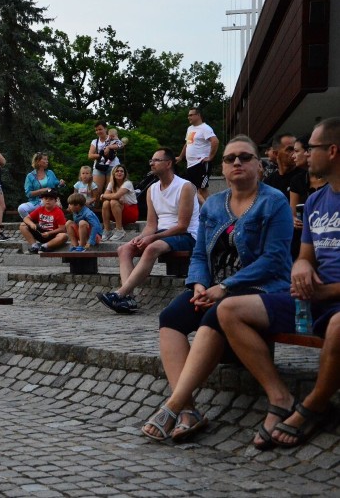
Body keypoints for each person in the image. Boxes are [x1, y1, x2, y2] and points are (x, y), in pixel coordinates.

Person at [139, 135, 293, 442]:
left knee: (216, 315)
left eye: (245, 157)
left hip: (260, 286)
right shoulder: (213, 207)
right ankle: (189, 410)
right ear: (222, 167)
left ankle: (173, 404)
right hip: (216, 287)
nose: (237, 162)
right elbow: (199, 254)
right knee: (171, 318)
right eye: (230, 158)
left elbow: (275, 259)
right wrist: (198, 283)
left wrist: (225, 286)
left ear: (259, 167)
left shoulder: (273, 202)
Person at [218, 117, 340, 450]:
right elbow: (305, 255)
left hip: (332, 302)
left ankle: (315, 404)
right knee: (229, 309)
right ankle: (280, 396)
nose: (302, 154)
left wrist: (324, 290)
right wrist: (301, 265)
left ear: (332, 150)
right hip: (312, 298)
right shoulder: (315, 201)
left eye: (309, 148)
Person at [97, 148, 200, 313]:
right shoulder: (152, 190)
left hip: (186, 235)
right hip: (162, 233)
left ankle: (120, 293)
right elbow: (151, 225)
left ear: (168, 163)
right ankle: (128, 299)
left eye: (156, 160)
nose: (152, 163)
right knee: (124, 249)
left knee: (152, 247)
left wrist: (151, 239)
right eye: (151, 160)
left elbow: (182, 226)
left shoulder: (185, 186)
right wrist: (141, 237)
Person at [175, 106, 219, 205]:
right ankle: (205, 211)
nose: (188, 117)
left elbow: (215, 141)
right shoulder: (190, 128)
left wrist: (210, 157)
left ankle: (211, 210)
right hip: (190, 165)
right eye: (188, 115)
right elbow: (187, 143)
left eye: (191, 115)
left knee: (202, 189)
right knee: (194, 189)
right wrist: (181, 157)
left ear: (198, 115)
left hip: (201, 163)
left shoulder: (205, 128)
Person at [18, 152, 65, 220]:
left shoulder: (50, 173)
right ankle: (31, 223)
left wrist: (61, 183)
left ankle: (43, 224)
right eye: (45, 159)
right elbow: (28, 194)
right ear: (38, 161)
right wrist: (41, 191)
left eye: (47, 159)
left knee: (52, 205)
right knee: (21, 208)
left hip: (48, 200)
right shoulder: (30, 176)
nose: (47, 161)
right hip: (35, 202)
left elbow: (57, 184)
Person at [20, 189, 68, 254]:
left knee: (64, 236)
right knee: (23, 225)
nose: (48, 200)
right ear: (42, 200)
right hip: (41, 232)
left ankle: (44, 246)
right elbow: (26, 218)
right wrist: (31, 223)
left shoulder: (59, 212)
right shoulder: (40, 209)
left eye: (51, 199)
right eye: (45, 198)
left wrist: (49, 233)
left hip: (53, 234)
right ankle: (34, 246)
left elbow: (62, 229)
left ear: (55, 201)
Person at [100, 165, 139, 242]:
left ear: (125, 174)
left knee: (113, 201)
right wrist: (109, 196)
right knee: (105, 203)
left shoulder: (128, 183)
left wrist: (105, 195)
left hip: (131, 212)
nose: (119, 173)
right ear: (113, 173)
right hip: (118, 211)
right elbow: (104, 198)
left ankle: (120, 230)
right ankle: (107, 230)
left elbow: (114, 195)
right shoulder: (111, 183)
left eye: (122, 171)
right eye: (117, 171)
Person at [88, 122, 121, 206]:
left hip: (113, 165)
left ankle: (107, 211)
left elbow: (120, 145)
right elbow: (90, 155)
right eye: (96, 130)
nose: (98, 131)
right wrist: (101, 154)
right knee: (96, 190)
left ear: (105, 129)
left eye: (100, 129)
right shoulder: (95, 141)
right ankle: (96, 211)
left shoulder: (112, 138)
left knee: (109, 189)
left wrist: (109, 147)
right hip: (99, 166)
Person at [264, 133, 304, 200]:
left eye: (296, 149)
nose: (294, 153)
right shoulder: (268, 183)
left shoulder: (305, 177)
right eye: (290, 149)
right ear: (276, 154)